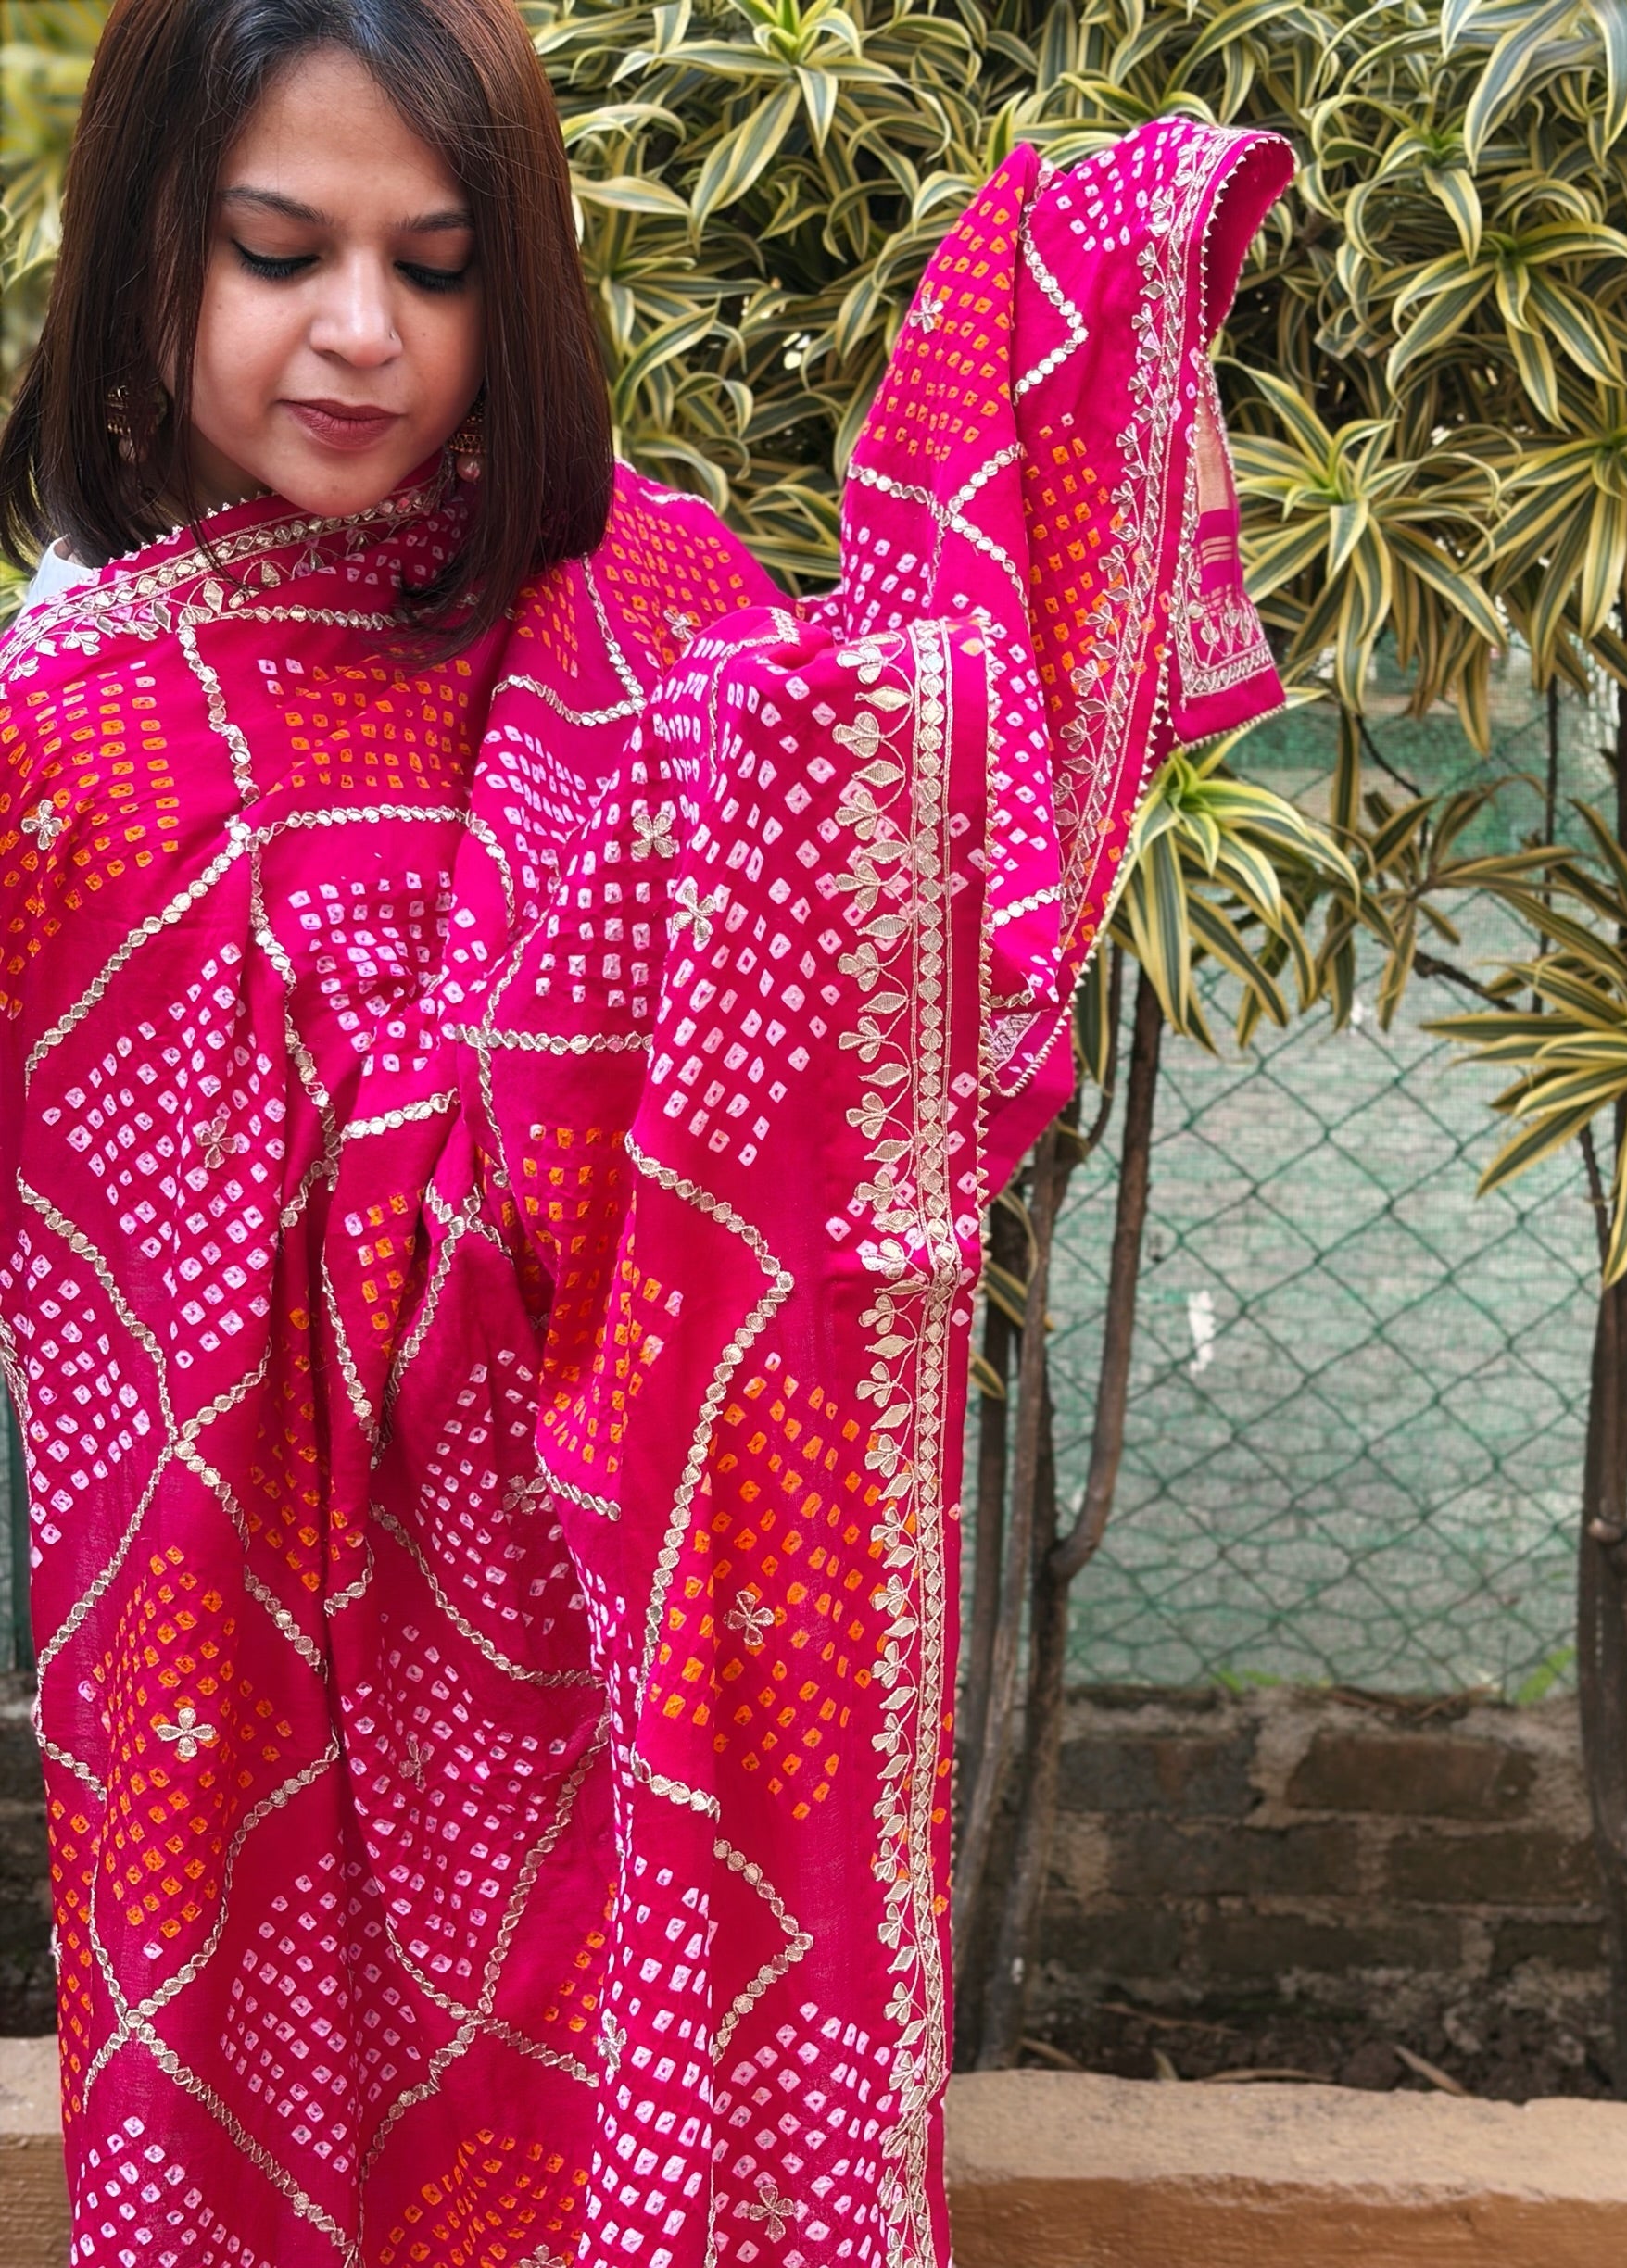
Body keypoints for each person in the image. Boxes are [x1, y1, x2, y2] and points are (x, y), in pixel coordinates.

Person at [0, 0, 1293, 2260]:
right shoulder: (62, 736)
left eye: (436, 262)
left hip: (632, 1678)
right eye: (277, 251)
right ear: (141, 266)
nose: (359, 333)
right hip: (226, 1696)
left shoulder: (659, 617)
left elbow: (887, 987)